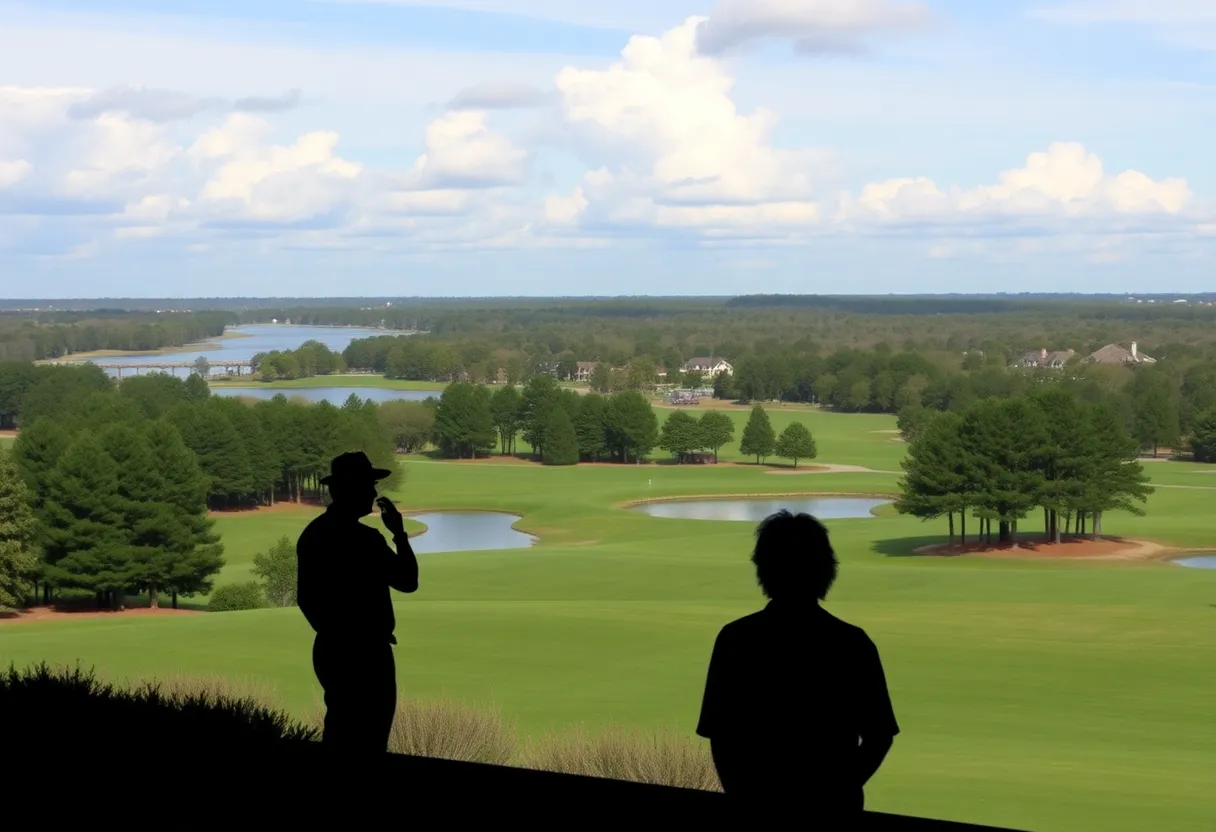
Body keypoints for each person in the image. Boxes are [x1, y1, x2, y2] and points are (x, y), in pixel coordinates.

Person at [696, 510, 899, 819]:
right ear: (825, 570)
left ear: (763, 568)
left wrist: (744, 796)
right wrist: (837, 790)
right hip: (834, 814)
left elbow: (720, 737)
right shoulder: (853, 644)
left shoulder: (735, 639)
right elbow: (879, 736)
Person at [297, 451, 419, 754]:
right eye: (368, 485)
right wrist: (399, 535)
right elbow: (407, 581)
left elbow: (306, 599)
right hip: (367, 655)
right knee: (370, 737)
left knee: (340, 728)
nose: (374, 492)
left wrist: (333, 633)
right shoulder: (366, 540)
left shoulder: (313, 534)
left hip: (329, 649)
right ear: (349, 489)